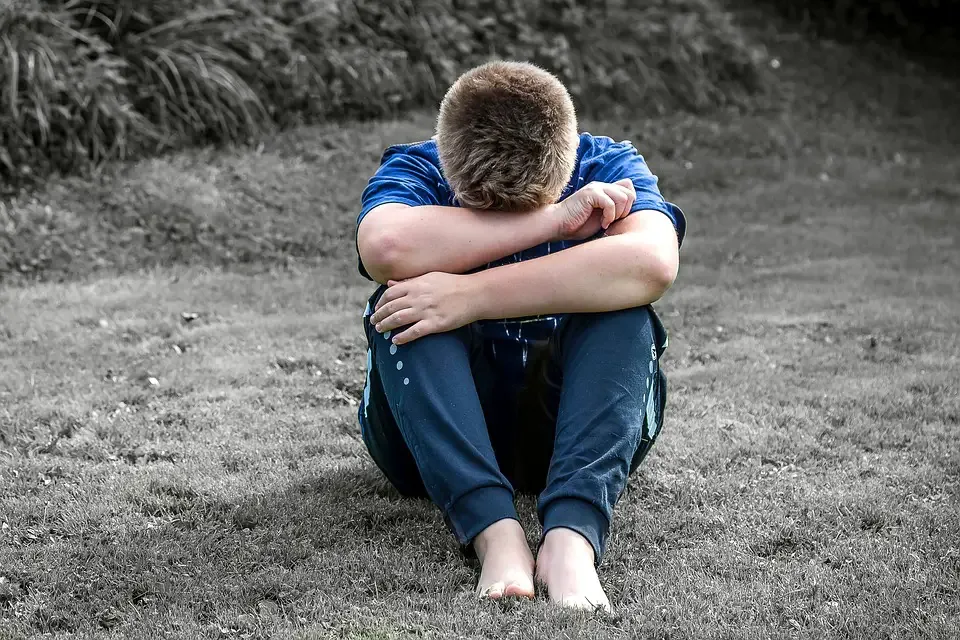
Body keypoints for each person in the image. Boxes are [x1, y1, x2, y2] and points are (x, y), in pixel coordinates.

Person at [354, 61, 686, 612]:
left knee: (625, 306)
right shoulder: (417, 166)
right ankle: (495, 532)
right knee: (404, 301)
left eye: (527, 208)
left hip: (570, 427)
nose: (503, 227)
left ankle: (571, 539)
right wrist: (554, 221)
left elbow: (653, 263)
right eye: (483, 214)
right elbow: (385, 248)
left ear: (570, 160)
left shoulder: (608, 162)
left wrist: (471, 296)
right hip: (428, 444)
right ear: (445, 160)